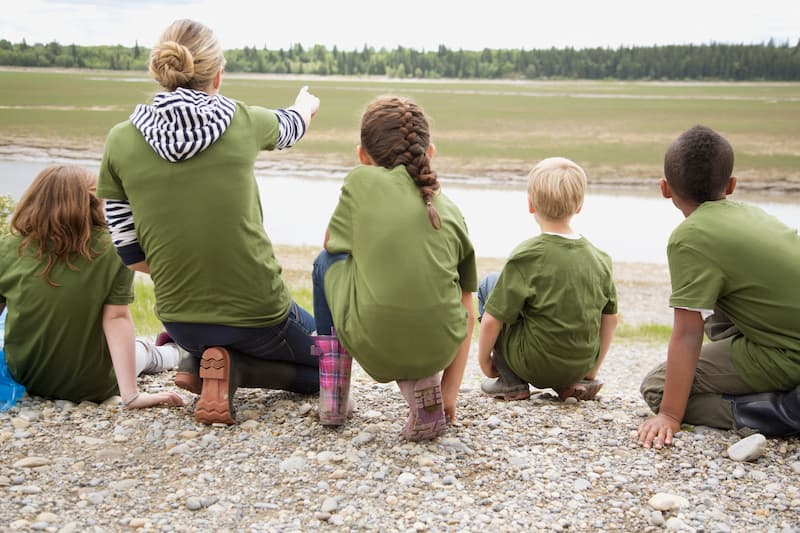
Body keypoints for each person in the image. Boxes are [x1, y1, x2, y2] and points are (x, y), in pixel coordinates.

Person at [97, 19, 321, 425]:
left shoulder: (119, 140)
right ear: (218, 76)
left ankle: (200, 358)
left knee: (217, 333)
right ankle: (235, 368)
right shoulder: (241, 120)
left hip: (181, 320)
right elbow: (292, 126)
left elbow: (130, 254)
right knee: (328, 364)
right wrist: (306, 104)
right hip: (260, 313)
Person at [312, 95, 476, 441]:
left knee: (324, 264)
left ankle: (333, 398)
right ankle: (429, 389)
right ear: (429, 154)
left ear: (362, 155)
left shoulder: (360, 182)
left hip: (376, 342)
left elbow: (331, 244)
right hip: (439, 346)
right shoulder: (450, 208)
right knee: (438, 294)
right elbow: (467, 301)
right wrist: (451, 392)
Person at [637, 125, 800, 448]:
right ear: (731, 185)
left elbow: (688, 333)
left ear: (665, 189)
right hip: (783, 336)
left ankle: (782, 411)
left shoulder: (690, 238)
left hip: (788, 353)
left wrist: (670, 414)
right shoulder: (752, 213)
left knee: (656, 386)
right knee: (716, 306)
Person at [0, 164, 184, 408]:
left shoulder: (10, 246)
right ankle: (175, 351)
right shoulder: (113, 250)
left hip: (25, 376)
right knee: (146, 352)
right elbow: (116, 319)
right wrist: (131, 396)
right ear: (92, 202)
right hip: (93, 384)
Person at [477, 157, 619, 402]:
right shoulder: (601, 258)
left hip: (533, 364)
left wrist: (484, 361)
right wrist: (591, 369)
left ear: (531, 204)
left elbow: (492, 319)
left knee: (490, 284)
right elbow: (610, 320)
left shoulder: (527, 255)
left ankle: (510, 381)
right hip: (580, 365)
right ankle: (570, 383)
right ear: (580, 206)